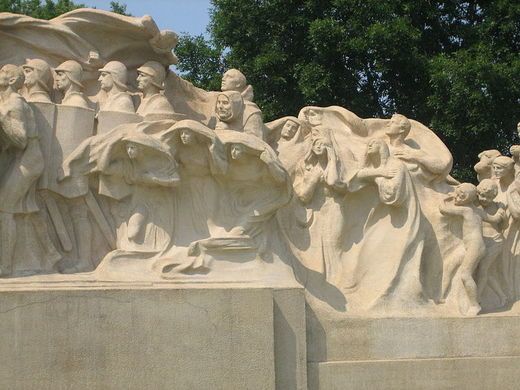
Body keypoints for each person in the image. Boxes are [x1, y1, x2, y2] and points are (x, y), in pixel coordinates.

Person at [0, 64, 59, 275]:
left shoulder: (15, 103)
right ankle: (53, 255)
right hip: (21, 159)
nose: (0, 75)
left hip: (29, 160)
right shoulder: (6, 102)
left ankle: (5, 266)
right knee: (28, 209)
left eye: (3, 73)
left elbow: (20, 138)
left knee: (5, 208)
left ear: (12, 81)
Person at [439, 183, 486, 316]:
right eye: (457, 194)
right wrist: (499, 216)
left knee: (465, 275)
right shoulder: (477, 210)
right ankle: (441, 296)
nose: (457, 198)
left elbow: (443, 209)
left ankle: (475, 305)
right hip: (470, 246)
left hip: (475, 247)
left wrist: (446, 199)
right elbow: (493, 219)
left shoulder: (466, 210)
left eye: (461, 196)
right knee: (450, 265)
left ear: (468, 199)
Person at [475, 179, 507, 305]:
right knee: (485, 272)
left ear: (493, 196)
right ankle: (502, 296)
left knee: (483, 270)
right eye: (482, 195)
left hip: (495, 241)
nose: (484, 199)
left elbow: (504, 226)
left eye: (488, 197)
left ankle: (476, 299)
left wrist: (503, 218)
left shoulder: (498, 206)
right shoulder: (475, 203)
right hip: (479, 241)